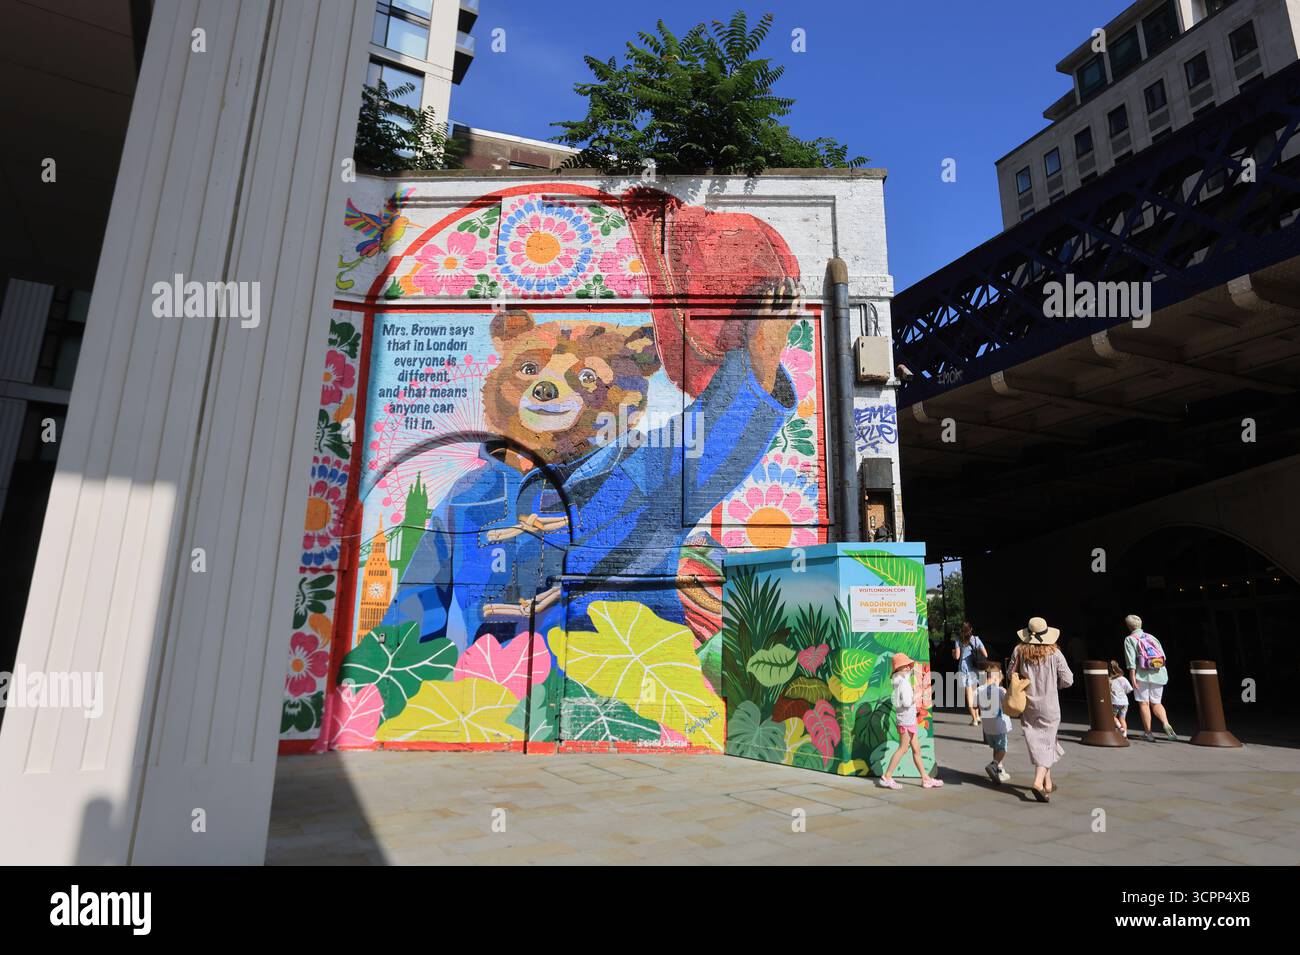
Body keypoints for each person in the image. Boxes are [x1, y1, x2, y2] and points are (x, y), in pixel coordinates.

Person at [1010, 616, 1074, 803]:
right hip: (1050, 703)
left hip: (1028, 704)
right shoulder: (1055, 653)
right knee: (1047, 739)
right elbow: (1068, 679)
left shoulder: (1019, 651)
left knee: (1040, 740)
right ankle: (1038, 783)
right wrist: (1055, 685)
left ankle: (1048, 782)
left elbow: (1010, 674)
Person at [878, 653, 944, 790]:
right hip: (907, 721)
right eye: (905, 666)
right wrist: (915, 697)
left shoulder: (900, 681)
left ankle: (925, 778)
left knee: (916, 750)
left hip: (908, 720)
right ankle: (887, 776)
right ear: (898, 668)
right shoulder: (902, 683)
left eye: (908, 665)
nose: (908, 667)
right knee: (903, 748)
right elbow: (907, 702)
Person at [1123, 614, 1177, 742]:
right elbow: (1163, 656)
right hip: (1158, 673)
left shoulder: (1129, 639)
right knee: (1157, 703)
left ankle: (1148, 733)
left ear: (1129, 626)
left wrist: (1132, 677)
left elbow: (1131, 661)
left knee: (1144, 703)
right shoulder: (1152, 637)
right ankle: (1165, 723)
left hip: (1141, 675)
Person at [976, 660, 1012, 784]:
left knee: (996, 748)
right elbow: (1008, 704)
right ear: (997, 678)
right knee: (1002, 749)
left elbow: (975, 705)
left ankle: (998, 769)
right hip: (999, 726)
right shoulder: (1001, 691)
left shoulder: (980, 689)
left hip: (987, 728)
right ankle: (994, 764)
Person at [952, 621, 987, 725]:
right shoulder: (976, 639)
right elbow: (985, 654)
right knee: (975, 693)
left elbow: (957, 657)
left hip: (964, 669)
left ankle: (975, 719)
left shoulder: (958, 640)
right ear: (971, 629)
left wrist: (953, 653)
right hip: (975, 669)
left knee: (969, 695)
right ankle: (978, 716)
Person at [1108, 659, 1133, 737]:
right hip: (1125, 702)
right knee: (1122, 718)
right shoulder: (1124, 679)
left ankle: (1120, 727)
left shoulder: (1109, 680)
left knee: (1112, 716)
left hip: (1114, 702)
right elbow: (1130, 689)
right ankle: (1124, 735)